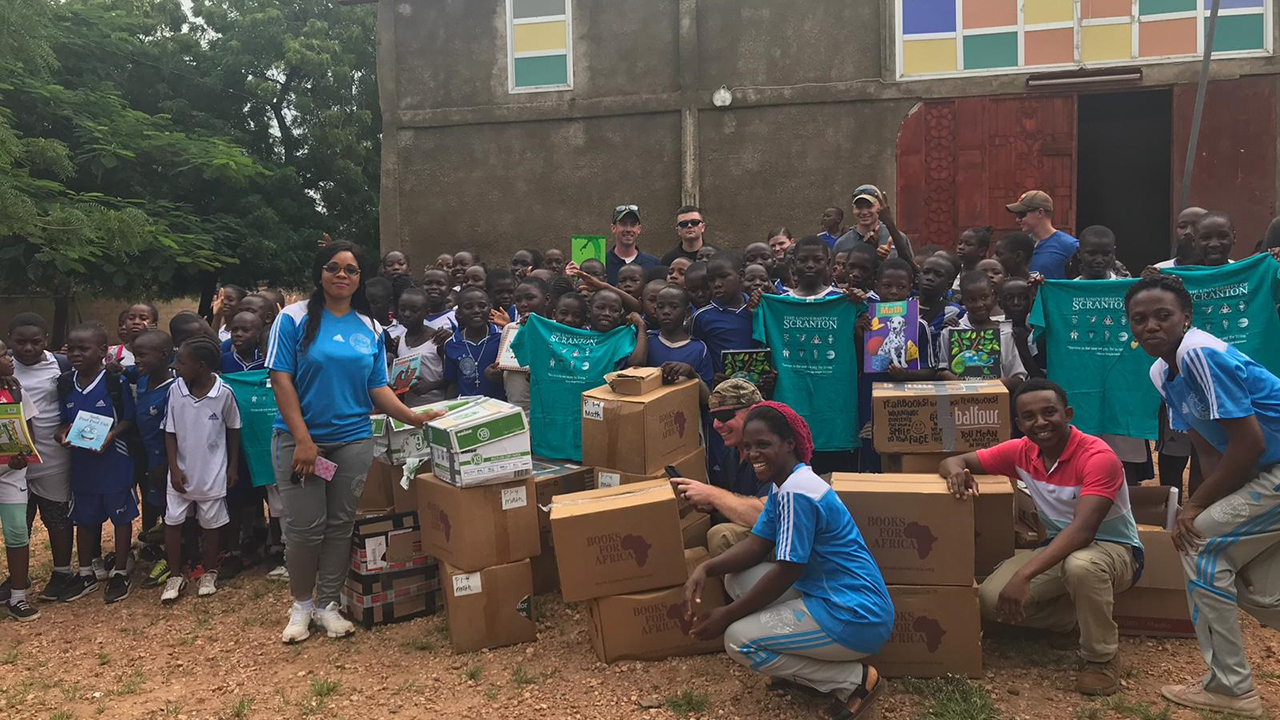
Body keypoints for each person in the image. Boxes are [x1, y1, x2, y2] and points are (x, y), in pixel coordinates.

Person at [266, 241, 438, 643]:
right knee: (305, 528)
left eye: (351, 270)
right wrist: (304, 441)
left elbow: (376, 386)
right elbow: (281, 379)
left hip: (353, 440)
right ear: (320, 273)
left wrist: (413, 417)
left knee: (341, 525)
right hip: (299, 443)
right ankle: (301, 605)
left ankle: (328, 605)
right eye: (333, 267)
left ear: (361, 278)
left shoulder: (371, 327)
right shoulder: (291, 319)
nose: (342, 275)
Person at [1127, 275, 1280, 717]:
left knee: (1203, 544)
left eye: (1163, 315)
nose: (1150, 326)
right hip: (1265, 474)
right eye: (1139, 319)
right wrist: (1208, 506)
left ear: (1186, 318)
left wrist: (1195, 511)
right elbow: (1209, 448)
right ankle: (1229, 683)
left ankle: (1231, 688)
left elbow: (1247, 444)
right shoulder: (1161, 371)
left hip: (1270, 468)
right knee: (1257, 585)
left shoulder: (1199, 352)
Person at [684, 403, 892, 720]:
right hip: (831, 596)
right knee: (736, 579)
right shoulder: (784, 486)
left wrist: (726, 615)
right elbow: (756, 545)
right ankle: (801, 665)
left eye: (763, 444)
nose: (753, 453)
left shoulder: (798, 492)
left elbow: (787, 570)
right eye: (748, 446)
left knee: (738, 641)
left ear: (789, 444)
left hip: (853, 614)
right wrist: (706, 568)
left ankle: (857, 681)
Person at [940, 378, 1141, 696]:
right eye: (1029, 417)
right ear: (1018, 423)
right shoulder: (1021, 451)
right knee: (990, 602)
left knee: (1082, 566)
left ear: (1069, 413)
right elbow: (956, 459)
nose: (1040, 423)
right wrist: (955, 473)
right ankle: (1066, 620)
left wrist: (1024, 574)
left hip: (1114, 550)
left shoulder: (1098, 457)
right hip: (1059, 548)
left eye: (1050, 412)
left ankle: (1100, 659)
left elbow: (1083, 531)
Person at [56, 322, 138, 604]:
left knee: (121, 517)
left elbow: (129, 419)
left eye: (84, 348)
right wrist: (62, 433)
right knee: (85, 518)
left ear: (103, 351)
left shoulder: (115, 382)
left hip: (114, 460)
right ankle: (86, 572)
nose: (76, 354)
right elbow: (65, 420)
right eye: (72, 348)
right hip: (82, 464)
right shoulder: (66, 383)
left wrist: (111, 435)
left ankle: (120, 571)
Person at [158, 337, 242, 603]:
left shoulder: (224, 393)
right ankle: (175, 574)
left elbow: (234, 430)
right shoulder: (175, 391)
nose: (176, 367)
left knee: (211, 524)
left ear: (201, 366)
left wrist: (232, 467)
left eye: (182, 362)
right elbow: (169, 431)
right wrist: (173, 468)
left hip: (212, 472)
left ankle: (210, 571)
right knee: (172, 522)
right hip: (180, 473)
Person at [9, 313, 75, 603]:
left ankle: (62, 573)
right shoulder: (4, 367)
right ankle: (17, 577)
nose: (27, 348)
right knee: (19, 521)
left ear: (46, 341)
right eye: (20, 342)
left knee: (57, 517)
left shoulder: (59, 365)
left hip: (53, 457)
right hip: (14, 461)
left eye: (35, 342)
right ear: (10, 341)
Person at [672, 380, 769, 555]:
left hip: (784, 540)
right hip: (757, 536)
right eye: (714, 417)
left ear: (753, 413)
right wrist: (713, 505)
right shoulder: (730, 453)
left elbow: (765, 515)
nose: (716, 424)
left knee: (720, 535)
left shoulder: (771, 452)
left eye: (725, 416)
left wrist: (712, 494)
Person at [131, 330, 177, 589]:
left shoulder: (173, 388)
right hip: (146, 458)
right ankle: (160, 552)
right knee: (157, 505)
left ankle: (174, 559)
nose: (136, 360)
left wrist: (167, 463)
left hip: (166, 461)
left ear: (163, 356)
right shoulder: (142, 380)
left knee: (173, 509)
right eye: (135, 354)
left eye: (142, 355)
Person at [0, 340, 40, 621]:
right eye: (2, 354)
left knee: (17, 532)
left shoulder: (14, 389)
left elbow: (30, 426)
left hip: (10, 475)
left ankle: (17, 597)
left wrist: (24, 453)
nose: (10, 357)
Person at [938, 271, 1030, 390]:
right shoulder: (951, 331)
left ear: (993, 296)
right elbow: (942, 369)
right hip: (960, 402)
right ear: (963, 301)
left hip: (996, 402)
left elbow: (1018, 378)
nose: (979, 304)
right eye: (971, 300)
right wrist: (958, 383)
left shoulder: (1006, 333)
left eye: (984, 297)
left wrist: (991, 385)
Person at [692, 252, 758, 375]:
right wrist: (711, 378)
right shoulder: (702, 317)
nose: (717, 284)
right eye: (711, 280)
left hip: (759, 388)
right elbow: (699, 355)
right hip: (721, 389)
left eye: (723, 276)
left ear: (741, 276)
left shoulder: (758, 310)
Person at [395, 286, 454, 407]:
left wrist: (431, 385)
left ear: (427, 313)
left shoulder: (437, 340)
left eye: (414, 310)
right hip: (410, 410)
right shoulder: (400, 341)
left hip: (436, 407)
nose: (406, 314)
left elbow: (452, 378)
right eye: (402, 309)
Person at [443, 287, 505, 400]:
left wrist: (502, 376)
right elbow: (452, 383)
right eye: (468, 307)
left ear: (490, 308)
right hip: (467, 408)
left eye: (482, 306)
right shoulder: (452, 344)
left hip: (500, 405)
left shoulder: (502, 337)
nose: (476, 310)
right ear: (459, 312)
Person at [646, 285, 714, 386]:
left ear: (687, 312)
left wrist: (691, 373)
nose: (666, 312)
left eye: (674, 307)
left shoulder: (699, 349)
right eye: (661, 307)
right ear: (656, 311)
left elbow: (707, 396)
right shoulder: (647, 341)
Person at [1006, 190, 1077, 279]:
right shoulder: (1021, 244)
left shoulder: (1069, 246)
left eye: (1021, 214)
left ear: (1040, 213)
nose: (1017, 220)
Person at [833, 184, 914, 261]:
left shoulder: (896, 238)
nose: (864, 212)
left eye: (869, 206)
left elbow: (911, 269)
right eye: (859, 207)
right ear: (853, 209)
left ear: (880, 207)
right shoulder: (842, 243)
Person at [605, 205, 659, 284]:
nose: (628, 229)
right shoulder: (602, 263)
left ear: (639, 229)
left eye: (633, 224)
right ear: (613, 228)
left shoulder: (653, 264)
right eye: (623, 224)